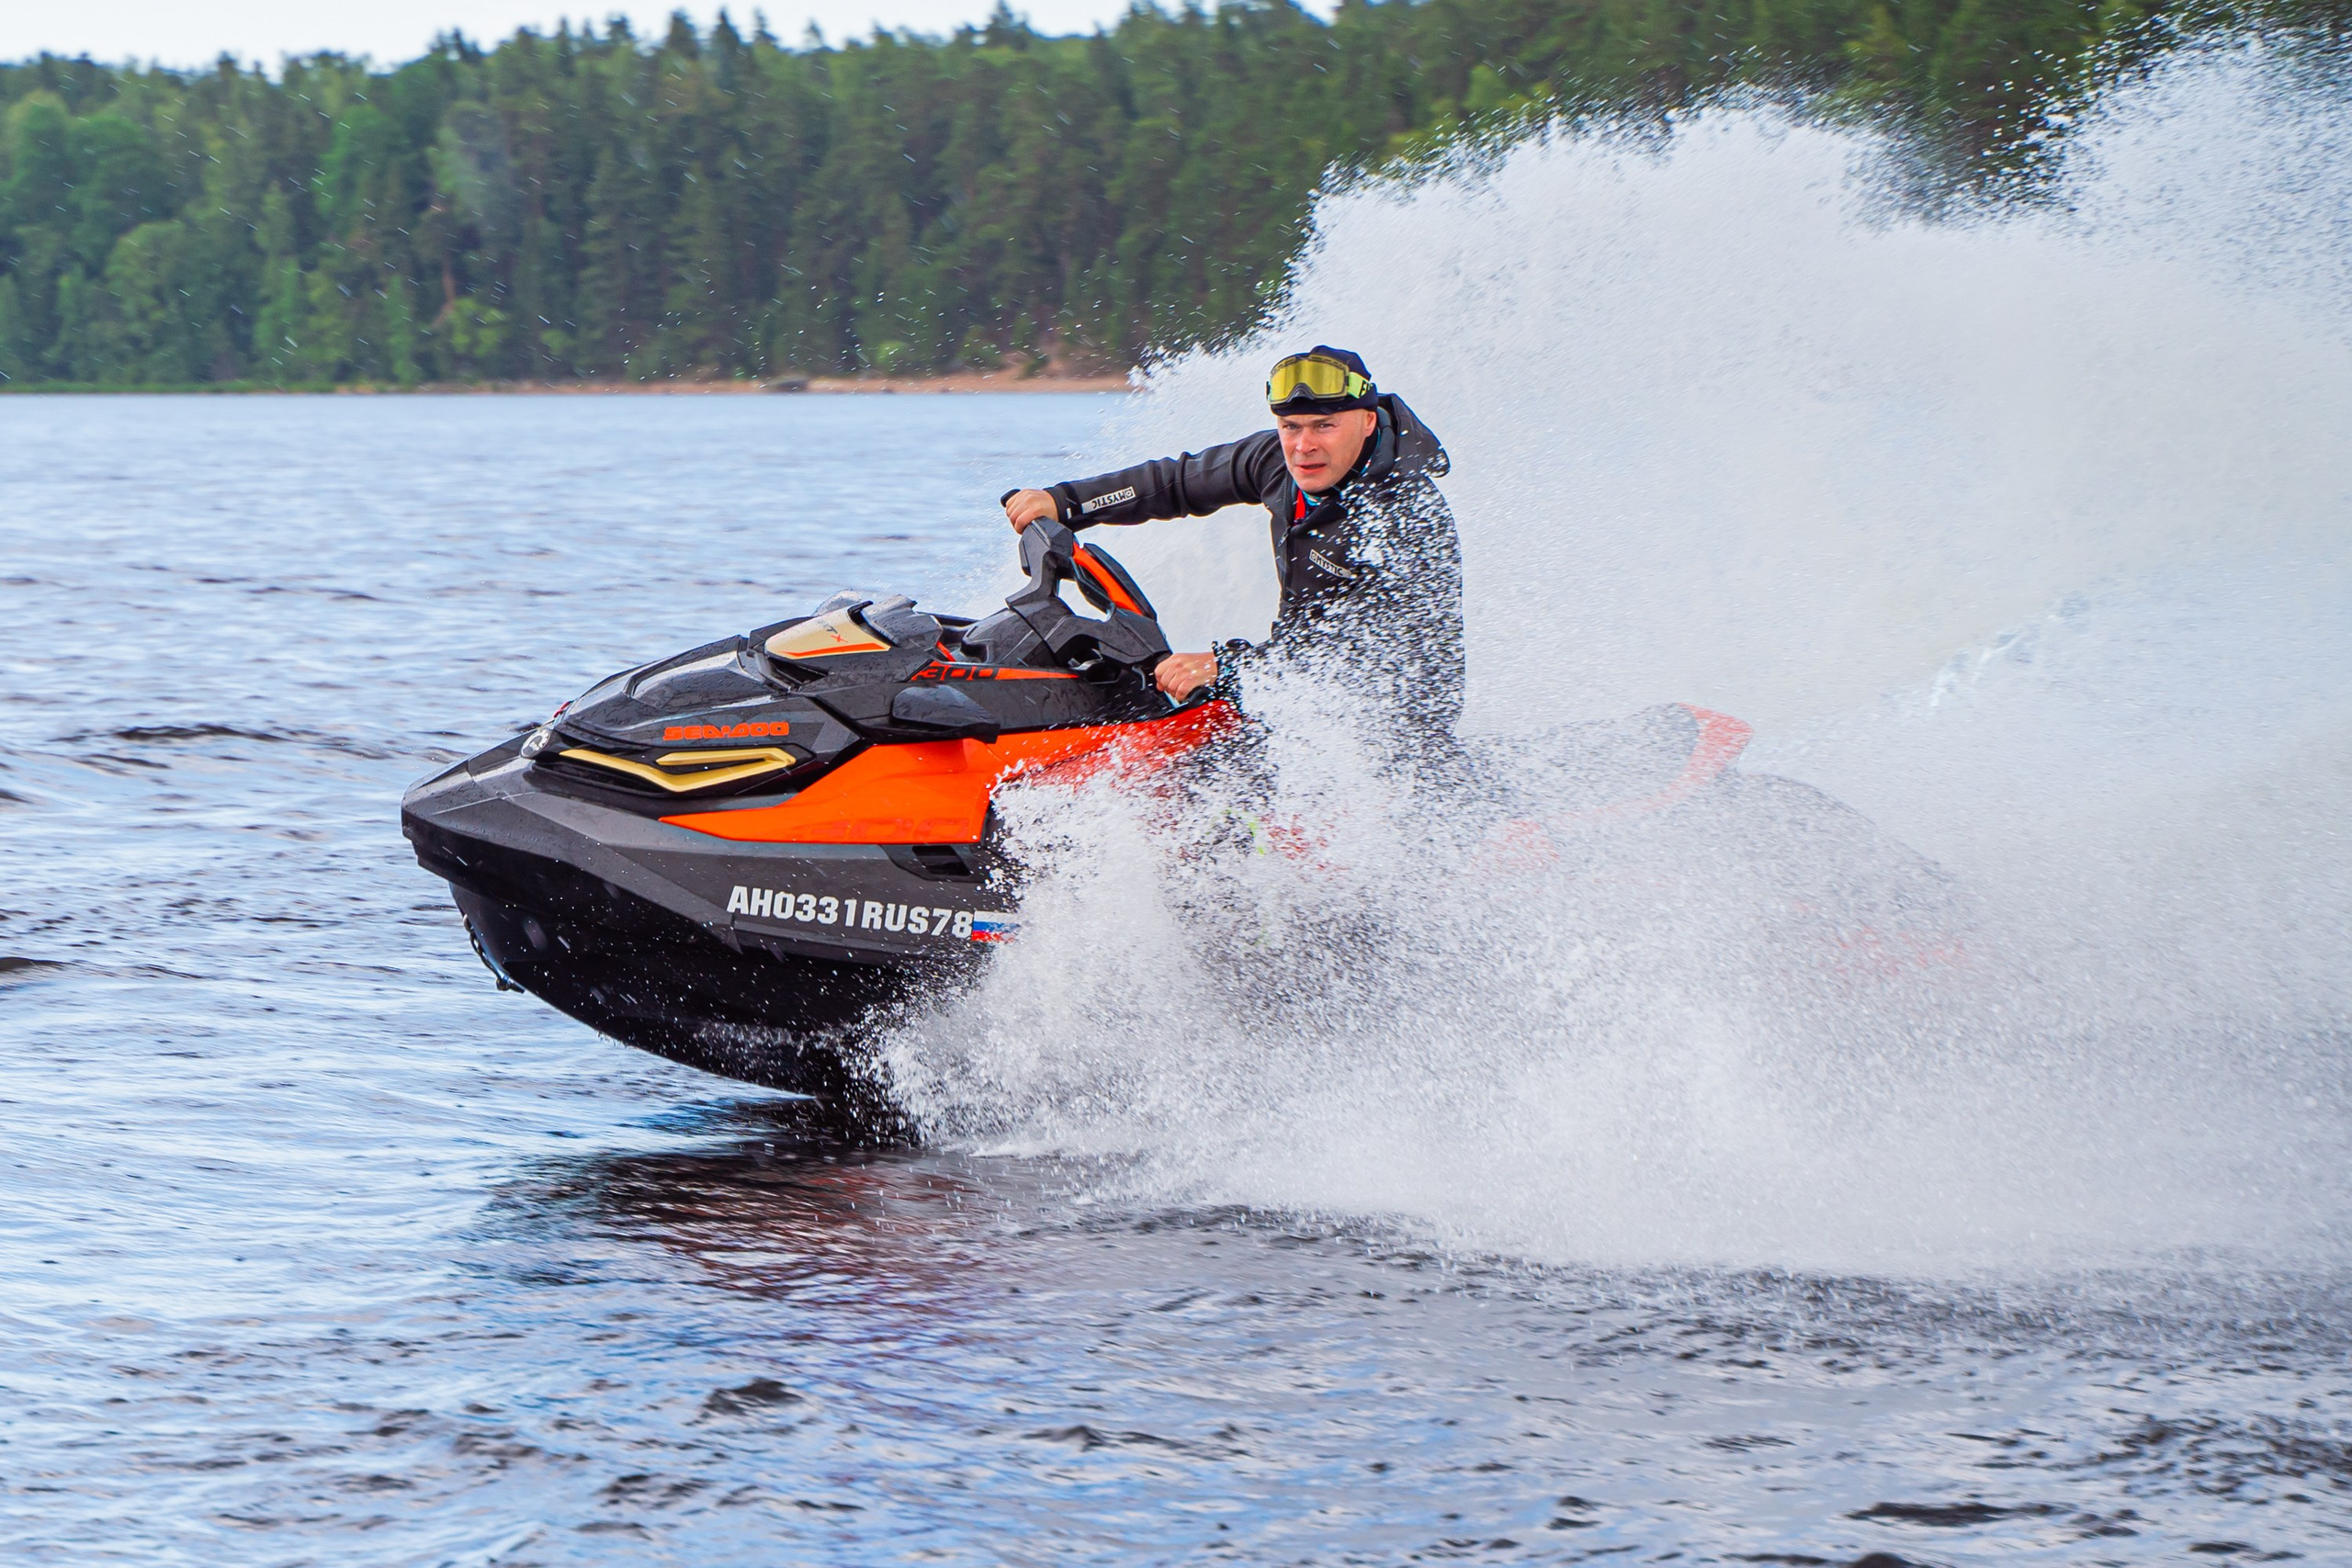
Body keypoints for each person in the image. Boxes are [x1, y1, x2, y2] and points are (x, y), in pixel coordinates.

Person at [1001, 346, 1464, 735]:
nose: (1303, 446)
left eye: (1325, 426)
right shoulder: (1277, 461)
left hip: (1392, 725)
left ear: (1366, 421)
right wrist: (1067, 502)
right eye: (1291, 427)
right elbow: (1176, 482)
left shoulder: (1404, 515)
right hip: (1290, 682)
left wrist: (1230, 664)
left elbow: (1379, 656)